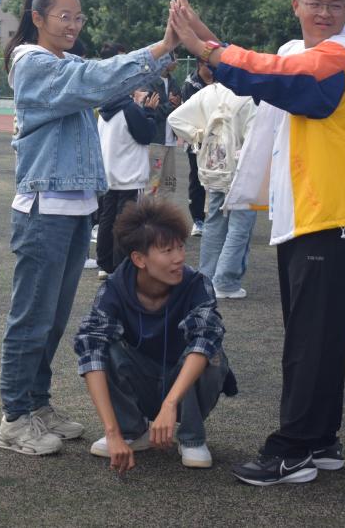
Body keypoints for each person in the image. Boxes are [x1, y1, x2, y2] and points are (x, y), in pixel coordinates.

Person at [169, 0, 345, 486]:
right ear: (296, 5)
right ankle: (320, 440)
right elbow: (267, 70)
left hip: (332, 213)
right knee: (319, 336)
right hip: (313, 214)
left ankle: (294, 448)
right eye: (315, 4)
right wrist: (207, 42)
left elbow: (286, 80)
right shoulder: (298, 52)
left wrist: (207, 50)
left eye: (335, 5)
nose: (325, 13)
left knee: (310, 339)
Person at [0, 0, 176, 456]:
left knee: (53, 319)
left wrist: (161, 54)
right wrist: (159, 48)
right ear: (37, 18)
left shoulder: (64, 62)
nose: (73, 25)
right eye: (64, 16)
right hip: (43, 209)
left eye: (79, 17)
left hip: (72, 207)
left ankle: (36, 402)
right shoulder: (32, 62)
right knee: (31, 318)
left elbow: (103, 78)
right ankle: (13, 416)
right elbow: (96, 80)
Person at [74, 199, 236, 473]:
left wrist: (170, 404)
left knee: (212, 352)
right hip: (141, 380)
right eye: (167, 250)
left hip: (182, 387)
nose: (179, 257)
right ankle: (130, 430)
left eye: (180, 247)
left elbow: (206, 337)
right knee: (100, 345)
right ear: (139, 259)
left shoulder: (196, 284)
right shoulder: (114, 288)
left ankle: (192, 437)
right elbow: (90, 350)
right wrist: (112, 432)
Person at [168, 72, 257, 299]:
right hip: (242, 169)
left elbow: (174, 119)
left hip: (213, 168)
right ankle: (226, 282)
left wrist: (199, 135)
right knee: (240, 225)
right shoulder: (249, 96)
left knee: (214, 221)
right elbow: (255, 138)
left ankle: (206, 276)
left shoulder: (208, 93)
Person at [95, 87, 159, 278]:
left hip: (109, 174)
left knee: (107, 219)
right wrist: (149, 112)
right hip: (130, 176)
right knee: (126, 223)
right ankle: (121, 266)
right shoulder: (130, 109)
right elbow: (146, 135)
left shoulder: (104, 109)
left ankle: (105, 263)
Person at [141, 54, 182, 197]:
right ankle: (147, 211)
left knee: (168, 184)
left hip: (170, 141)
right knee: (152, 184)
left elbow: (178, 105)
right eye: (174, 58)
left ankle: (164, 211)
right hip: (156, 141)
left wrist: (173, 105)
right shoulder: (149, 82)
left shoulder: (173, 82)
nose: (177, 62)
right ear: (164, 60)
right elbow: (152, 112)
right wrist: (170, 104)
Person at [181, 62, 214, 235]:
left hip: (218, 139)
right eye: (210, 65)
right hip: (196, 139)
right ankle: (198, 219)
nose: (213, 68)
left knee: (218, 178)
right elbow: (190, 113)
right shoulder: (190, 84)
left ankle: (216, 219)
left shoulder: (220, 80)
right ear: (200, 64)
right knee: (197, 178)